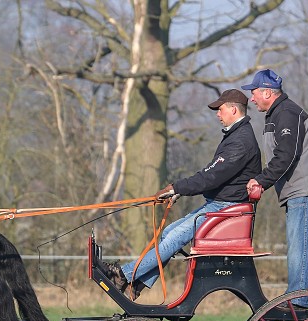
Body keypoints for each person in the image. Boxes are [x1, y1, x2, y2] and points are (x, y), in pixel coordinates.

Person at [106, 89, 261, 300]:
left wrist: (177, 188)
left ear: (233, 109)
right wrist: (178, 189)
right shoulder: (236, 136)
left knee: (174, 239)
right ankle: (139, 282)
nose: (217, 114)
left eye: (220, 109)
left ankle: (124, 275)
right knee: (169, 232)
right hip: (220, 204)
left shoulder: (240, 141)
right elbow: (210, 173)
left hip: (225, 208)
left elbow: (212, 177)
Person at [241, 69, 308, 309]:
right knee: (297, 244)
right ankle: (297, 296)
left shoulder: (287, 113)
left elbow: (286, 156)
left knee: (300, 245)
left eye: (254, 93)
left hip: (307, 189)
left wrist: (262, 181)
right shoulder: (277, 114)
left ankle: (299, 300)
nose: (252, 99)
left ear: (267, 92)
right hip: (299, 190)